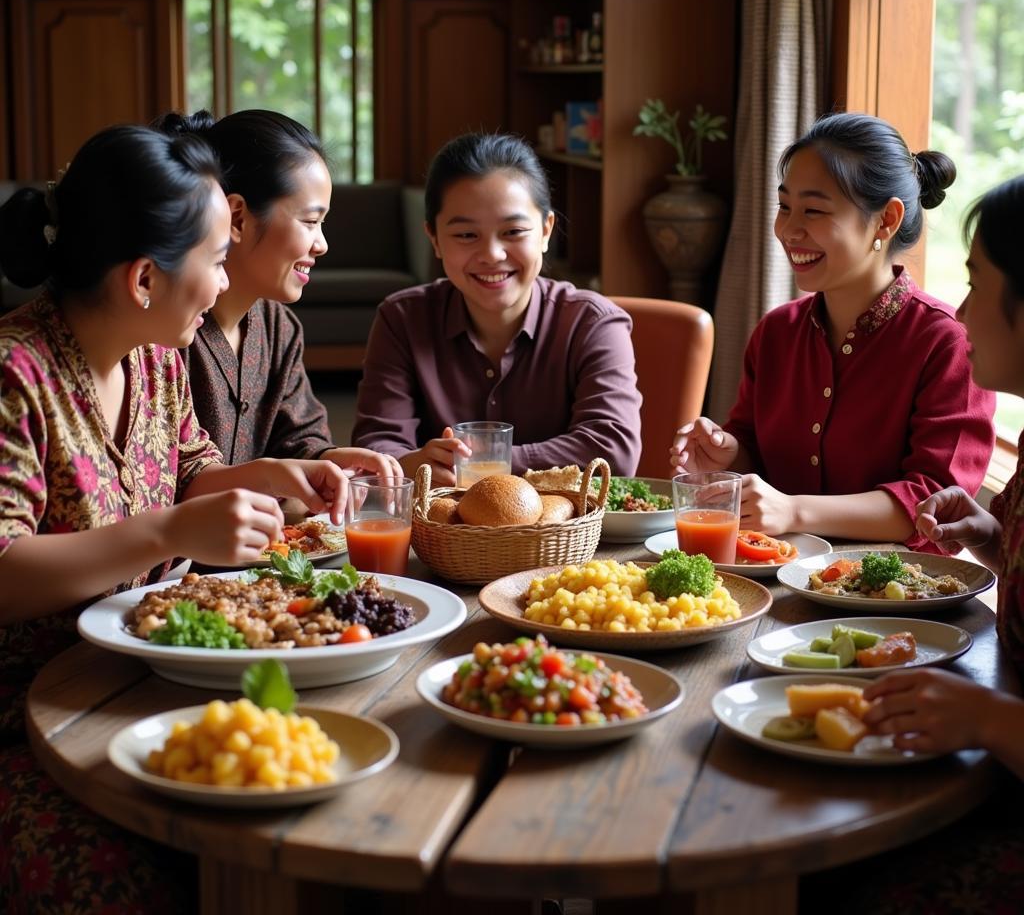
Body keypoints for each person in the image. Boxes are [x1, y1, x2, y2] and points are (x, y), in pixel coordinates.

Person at [0, 123, 348, 912]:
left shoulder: (154, 358)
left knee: (317, 819)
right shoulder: (15, 376)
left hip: (141, 684)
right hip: (29, 718)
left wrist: (283, 477)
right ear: (143, 280)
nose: (228, 285)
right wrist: (165, 535)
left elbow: (192, 472)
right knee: (148, 884)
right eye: (218, 260)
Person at [800, 175, 1024, 914]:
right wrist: (995, 544)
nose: (962, 310)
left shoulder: (928, 337)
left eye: (978, 282)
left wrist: (987, 719)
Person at [670, 112, 995, 551]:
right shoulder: (776, 332)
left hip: (889, 601)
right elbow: (753, 451)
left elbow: (934, 501)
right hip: (771, 574)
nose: (789, 230)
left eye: (814, 210)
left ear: (886, 220)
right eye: (785, 206)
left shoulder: (947, 342)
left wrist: (795, 510)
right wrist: (729, 454)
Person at [350, 131, 642, 485]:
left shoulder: (592, 323)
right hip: (440, 537)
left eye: (514, 231)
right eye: (466, 235)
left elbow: (612, 450)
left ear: (546, 230)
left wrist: (481, 464)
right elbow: (376, 449)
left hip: (562, 538)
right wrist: (412, 461)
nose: (492, 254)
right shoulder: (402, 319)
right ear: (434, 239)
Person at [152, 109, 401, 481]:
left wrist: (330, 460)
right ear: (237, 217)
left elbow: (299, 438)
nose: (322, 245)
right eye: (309, 222)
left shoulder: (277, 326)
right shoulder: (166, 330)